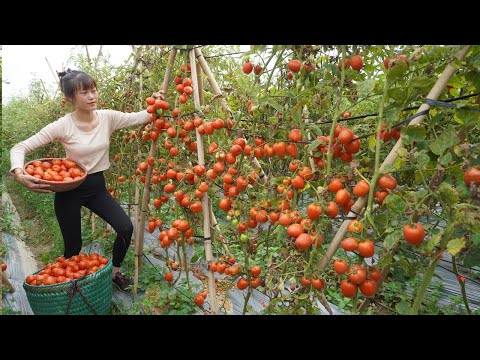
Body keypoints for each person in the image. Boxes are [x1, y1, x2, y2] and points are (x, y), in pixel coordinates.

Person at [10, 69, 164, 291]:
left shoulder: (107, 117)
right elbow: (20, 147)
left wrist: (156, 102)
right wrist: (19, 172)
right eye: (84, 92)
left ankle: (114, 273)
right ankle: (69, 289)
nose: (92, 96)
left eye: (93, 90)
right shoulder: (63, 125)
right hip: (69, 191)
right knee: (73, 246)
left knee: (124, 228)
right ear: (71, 98)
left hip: (96, 187)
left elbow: (143, 116)